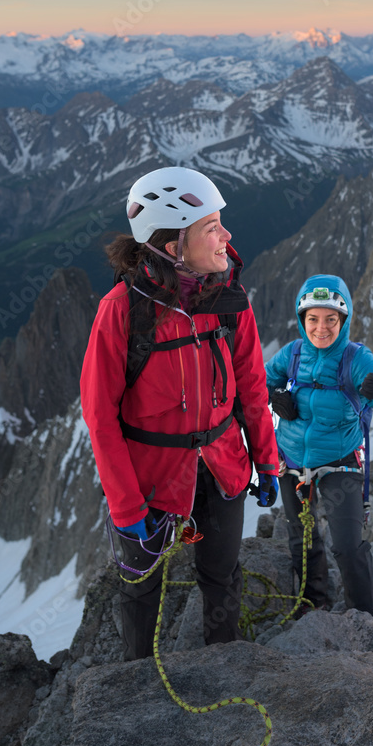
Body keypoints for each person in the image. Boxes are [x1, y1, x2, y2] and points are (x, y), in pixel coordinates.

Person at [80, 167, 279, 659]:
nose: (226, 236)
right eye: (212, 227)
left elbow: (252, 387)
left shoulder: (230, 301)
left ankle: (224, 661)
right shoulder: (123, 310)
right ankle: (135, 680)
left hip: (224, 468)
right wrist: (128, 510)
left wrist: (267, 461)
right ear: (174, 247)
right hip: (151, 483)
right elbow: (101, 418)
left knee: (221, 574)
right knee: (142, 588)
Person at [264, 274, 373, 619]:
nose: (321, 328)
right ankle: (312, 605)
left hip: (340, 463)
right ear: (302, 319)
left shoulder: (357, 361)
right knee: (301, 541)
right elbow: (257, 384)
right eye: (312, 318)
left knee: (347, 546)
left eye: (331, 319)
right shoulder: (292, 354)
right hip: (291, 463)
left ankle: (365, 618)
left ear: (343, 320)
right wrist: (276, 397)